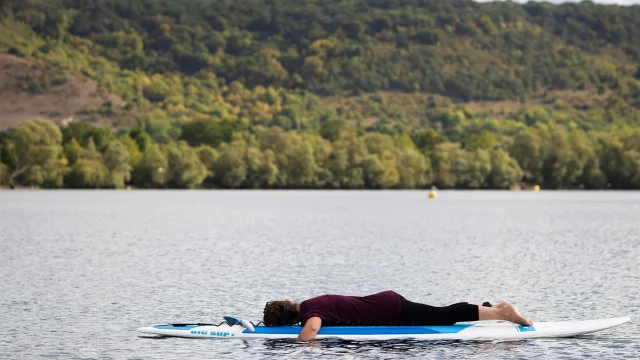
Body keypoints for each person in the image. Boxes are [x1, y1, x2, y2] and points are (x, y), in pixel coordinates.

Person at [262, 290, 533, 341]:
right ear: (289, 302)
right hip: (386, 302)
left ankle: (503, 312)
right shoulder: (309, 302)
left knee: (442, 318)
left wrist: (298, 343)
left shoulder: (312, 312)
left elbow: (311, 331)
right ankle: (487, 307)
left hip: (389, 308)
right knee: (440, 314)